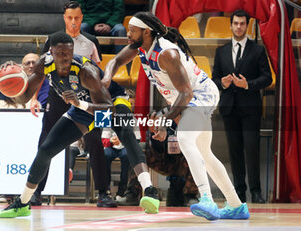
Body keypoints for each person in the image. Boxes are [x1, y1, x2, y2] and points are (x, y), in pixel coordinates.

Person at [103, 12, 250, 220]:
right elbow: (117, 60)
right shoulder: (140, 47)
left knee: (184, 137)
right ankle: (236, 205)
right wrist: (107, 76)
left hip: (200, 94)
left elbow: (187, 93)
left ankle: (206, 198)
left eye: (132, 31)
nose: (128, 34)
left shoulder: (166, 53)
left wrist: (164, 120)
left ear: (146, 32)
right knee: (205, 154)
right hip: (185, 99)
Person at [0, 31, 159, 218]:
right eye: (60, 54)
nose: (66, 58)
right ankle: (23, 202)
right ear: (51, 52)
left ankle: (149, 191)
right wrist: (14, 81)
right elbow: (24, 96)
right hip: (82, 107)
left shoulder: (86, 71)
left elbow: (108, 109)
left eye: (69, 53)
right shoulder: (44, 64)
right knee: (45, 150)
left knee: (126, 134)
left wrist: (79, 104)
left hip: (111, 101)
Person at [28, 1, 116, 207]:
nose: (74, 22)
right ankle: (36, 193)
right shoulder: (54, 39)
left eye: (77, 18)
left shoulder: (91, 41)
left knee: (95, 143)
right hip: (57, 96)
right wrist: (33, 98)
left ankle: (103, 194)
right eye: (70, 18)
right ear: (64, 18)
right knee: (45, 143)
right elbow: (40, 73)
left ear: (82, 18)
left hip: (86, 99)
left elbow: (99, 75)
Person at [212, 10, 272, 204]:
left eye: (242, 24)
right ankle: (239, 191)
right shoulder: (221, 51)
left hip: (251, 108)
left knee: (252, 149)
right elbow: (214, 79)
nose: (239, 27)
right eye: (236, 23)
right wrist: (223, 83)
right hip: (229, 108)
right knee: (235, 151)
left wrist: (247, 84)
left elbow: (267, 78)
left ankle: (256, 191)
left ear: (247, 26)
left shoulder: (258, 50)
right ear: (230, 25)